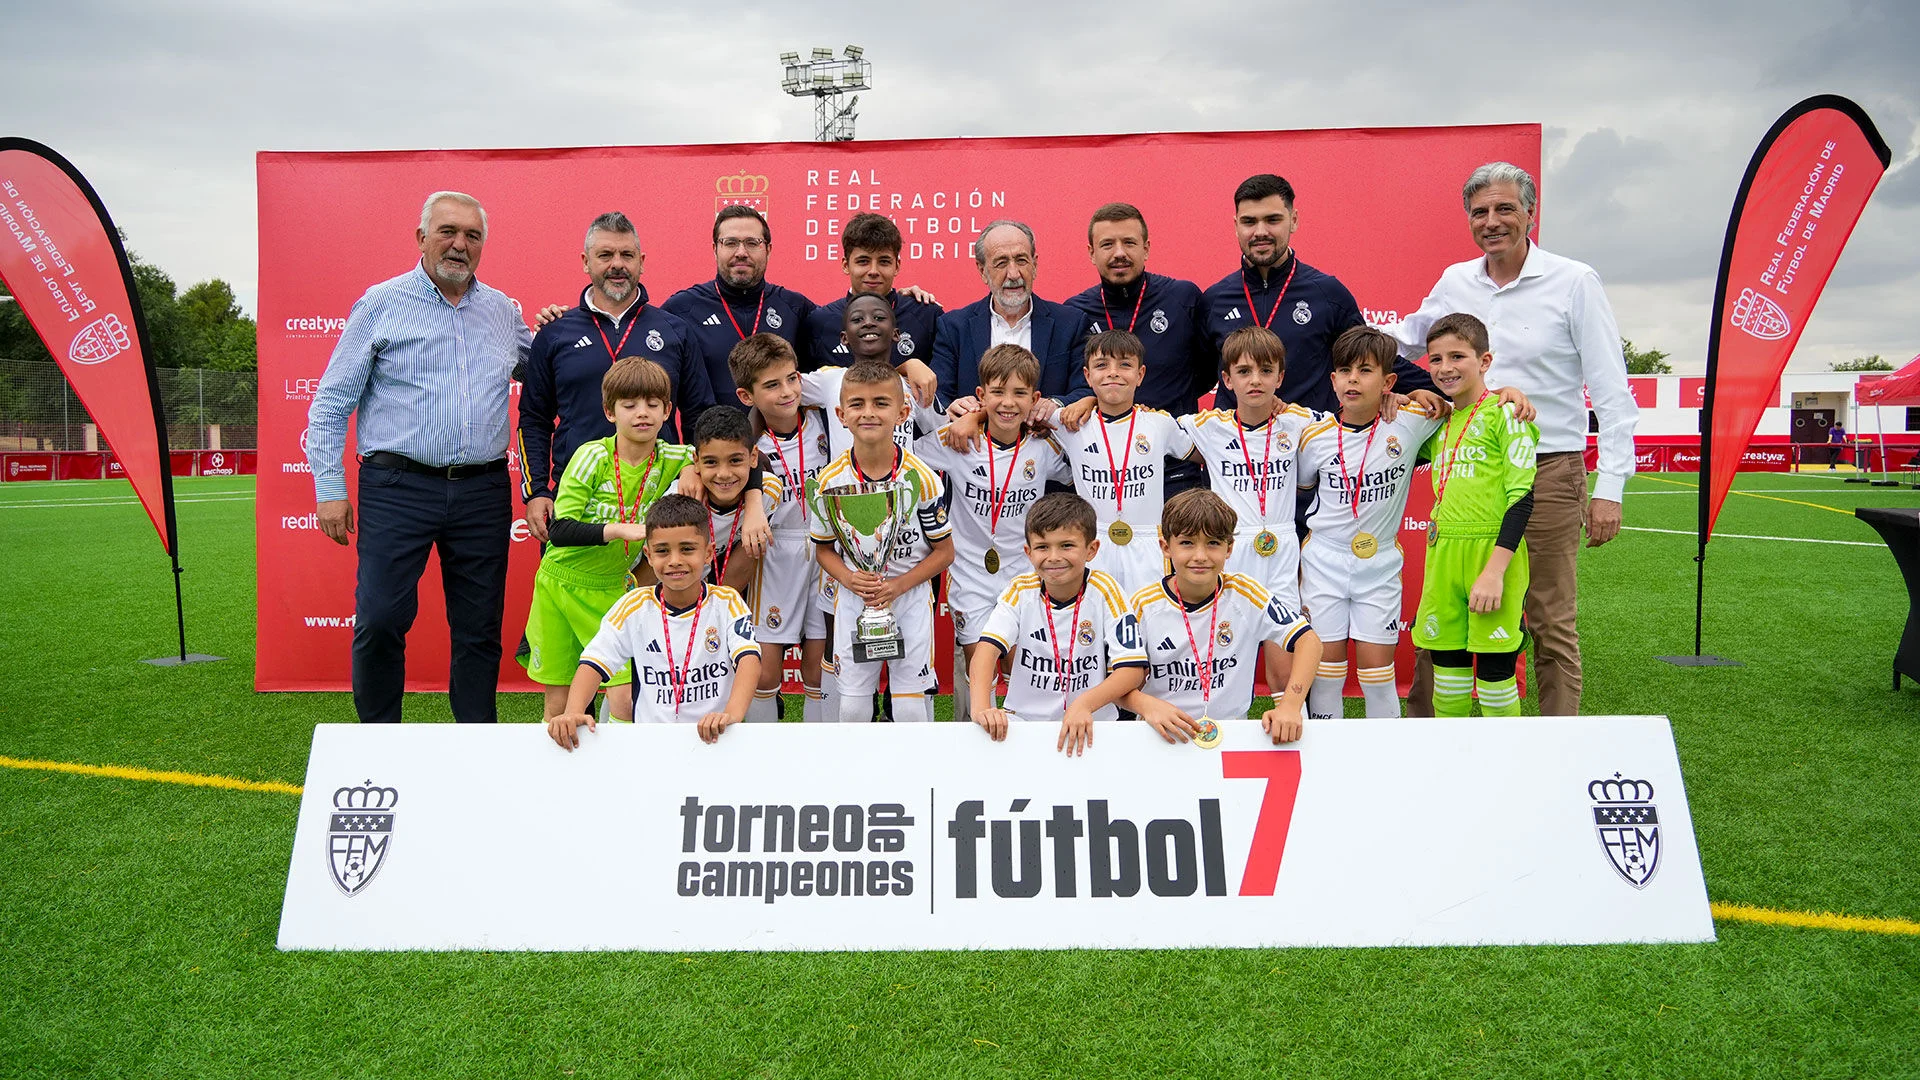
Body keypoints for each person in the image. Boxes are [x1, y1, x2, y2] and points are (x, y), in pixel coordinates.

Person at [1391, 162, 1639, 716]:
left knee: (1549, 617)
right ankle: (1425, 743)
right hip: (1470, 476)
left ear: (1531, 213)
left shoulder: (1574, 282)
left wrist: (1611, 488)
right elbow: (1409, 340)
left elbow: (1613, 395)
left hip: (1549, 470)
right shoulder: (1456, 281)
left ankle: (1556, 750)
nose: (1492, 221)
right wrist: (1345, 344)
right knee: (1446, 616)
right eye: (1480, 212)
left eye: (1505, 208)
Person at [306, 191, 531, 724]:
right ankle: (379, 741)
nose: (460, 245)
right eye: (448, 232)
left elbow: (543, 371)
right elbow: (332, 403)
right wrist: (329, 487)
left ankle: (476, 739)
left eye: (472, 235)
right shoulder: (380, 303)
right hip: (397, 487)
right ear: (421, 238)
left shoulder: (503, 312)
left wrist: (574, 334)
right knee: (381, 618)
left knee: (479, 628)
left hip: (481, 490)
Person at [520, 212, 714, 544]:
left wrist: (694, 467)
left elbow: (700, 415)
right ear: (586, 261)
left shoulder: (674, 331)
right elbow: (534, 418)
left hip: (659, 498)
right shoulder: (555, 332)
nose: (617, 264)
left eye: (627, 255)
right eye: (605, 255)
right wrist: (536, 490)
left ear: (642, 261)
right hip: (578, 502)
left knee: (653, 595)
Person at [522, 357, 691, 726]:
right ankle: (565, 780)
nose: (641, 414)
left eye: (652, 404)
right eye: (629, 405)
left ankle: (622, 780)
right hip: (559, 586)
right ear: (610, 412)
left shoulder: (677, 457)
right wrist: (617, 529)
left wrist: (695, 469)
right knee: (561, 705)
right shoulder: (592, 456)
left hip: (612, 592)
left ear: (667, 411)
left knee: (625, 699)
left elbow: (731, 457)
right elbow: (560, 530)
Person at [913, 344, 1071, 725]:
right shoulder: (956, 440)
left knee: (1023, 664)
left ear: (1034, 399)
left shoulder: (1044, 446)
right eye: (998, 393)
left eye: (1019, 394)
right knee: (979, 666)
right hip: (970, 576)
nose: (1008, 403)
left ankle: (1027, 740)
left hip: (1024, 573)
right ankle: (978, 741)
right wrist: (965, 420)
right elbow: (903, 456)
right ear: (980, 396)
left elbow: (1080, 470)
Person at [1295, 327, 1446, 719]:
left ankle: (1387, 766)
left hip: (1377, 564)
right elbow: (1304, 487)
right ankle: (1327, 763)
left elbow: (1458, 406)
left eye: (1366, 371)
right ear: (1333, 380)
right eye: (1344, 371)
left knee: (1378, 674)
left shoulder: (1411, 421)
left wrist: (1418, 395)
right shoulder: (1315, 437)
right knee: (1326, 673)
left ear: (1388, 381)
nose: (1353, 380)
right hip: (1324, 561)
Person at [1203, 173, 1432, 414]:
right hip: (1233, 444)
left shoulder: (1327, 293)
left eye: (1272, 220)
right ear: (1236, 225)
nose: (1260, 231)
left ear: (1293, 220)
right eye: (1249, 221)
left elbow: (1374, 359)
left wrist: (1438, 390)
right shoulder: (1214, 300)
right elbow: (1192, 377)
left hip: (1311, 444)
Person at [548, 494, 761, 749]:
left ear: (708, 553)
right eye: (662, 551)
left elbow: (749, 660)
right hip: (651, 746)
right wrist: (573, 710)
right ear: (648, 555)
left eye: (687, 549)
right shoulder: (634, 606)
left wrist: (731, 715)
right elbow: (593, 662)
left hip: (716, 740)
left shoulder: (727, 602)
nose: (674, 561)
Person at [807, 357, 955, 724]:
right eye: (857, 404)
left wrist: (898, 585)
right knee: (854, 708)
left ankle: (919, 782)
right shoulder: (830, 481)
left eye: (881, 403)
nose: (868, 413)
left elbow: (945, 552)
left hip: (910, 597)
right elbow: (823, 549)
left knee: (908, 709)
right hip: (855, 600)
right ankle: (858, 781)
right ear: (841, 414)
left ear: (903, 412)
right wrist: (849, 578)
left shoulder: (922, 478)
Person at [1177, 326, 1319, 694]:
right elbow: (1143, 423)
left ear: (1280, 377)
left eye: (1265, 371)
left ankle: (1290, 731)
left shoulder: (1301, 422)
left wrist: (1403, 396)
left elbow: (1355, 419)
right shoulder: (1206, 426)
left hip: (1282, 549)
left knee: (1283, 668)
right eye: (1243, 372)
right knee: (1217, 661)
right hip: (1229, 552)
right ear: (1226, 379)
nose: (1255, 380)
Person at [1412, 314, 1538, 717]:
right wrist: (1409, 396)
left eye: (1457, 356)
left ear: (1484, 361)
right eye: (1435, 359)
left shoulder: (1506, 413)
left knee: (1496, 681)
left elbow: (1522, 498)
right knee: (1447, 682)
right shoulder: (1439, 423)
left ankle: (1506, 769)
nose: (1445, 368)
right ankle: (1454, 769)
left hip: (1492, 556)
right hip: (1443, 555)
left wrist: (1494, 571)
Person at [1122, 489, 1320, 745]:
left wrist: (1291, 705)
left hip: (1230, 734)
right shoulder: (1143, 605)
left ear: (1229, 548)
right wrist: (1147, 705)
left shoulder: (1245, 594)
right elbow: (1115, 681)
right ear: (1165, 547)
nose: (1200, 556)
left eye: (1213, 543)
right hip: (1161, 736)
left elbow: (1310, 642)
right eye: (1187, 543)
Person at [971, 492, 1147, 755]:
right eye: (1043, 547)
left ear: (1092, 550)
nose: (1053, 556)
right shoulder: (1020, 590)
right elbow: (986, 651)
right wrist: (982, 707)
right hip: (1023, 724)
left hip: (1091, 724)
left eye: (1066, 546)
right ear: (1028, 553)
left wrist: (1084, 704)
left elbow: (1132, 670)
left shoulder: (1107, 590)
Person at [730, 333, 832, 723]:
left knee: (819, 662)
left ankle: (820, 755)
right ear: (747, 396)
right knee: (766, 668)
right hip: (775, 553)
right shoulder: (746, 443)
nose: (788, 391)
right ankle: (762, 759)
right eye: (772, 385)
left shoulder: (826, 419)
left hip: (827, 549)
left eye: (792, 378)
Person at [930, 220, 1090, 420]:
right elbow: (937, 396)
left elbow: (1087, 389)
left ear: (1035, 264)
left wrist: (1055, 404)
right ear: (982, 271)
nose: (1013, 274)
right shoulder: (954, 327)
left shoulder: (1071, 323)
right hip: (975, 446)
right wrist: (954, 406)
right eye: (1001, 263)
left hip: (1048, 445)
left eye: (1021, 260)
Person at [662, 205, 817, 410]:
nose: (741, 252)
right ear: (715, 248)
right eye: (731, 243)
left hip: (784, 441)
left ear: (768, 249)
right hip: (708, 440)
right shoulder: (680, 310)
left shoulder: (796, 309)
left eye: (752, 243)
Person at [804, 212, 942, 406]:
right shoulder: (819, 322)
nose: (873, 271)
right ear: (846, 265)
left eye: (884, 261)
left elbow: (942, 392)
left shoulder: (926, 314)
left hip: (913, 434)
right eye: (863, 261)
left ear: (897, 265)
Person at [685, 407, 781, 610]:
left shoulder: (769, 490)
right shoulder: (682, 498)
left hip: (716, 600)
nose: (724, 474)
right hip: (672, 601)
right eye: (711, 462)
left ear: (753, 457)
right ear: (696, 461)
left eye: (735, 461)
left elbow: (737, 574)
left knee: (755, 544)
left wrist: (716, 614)